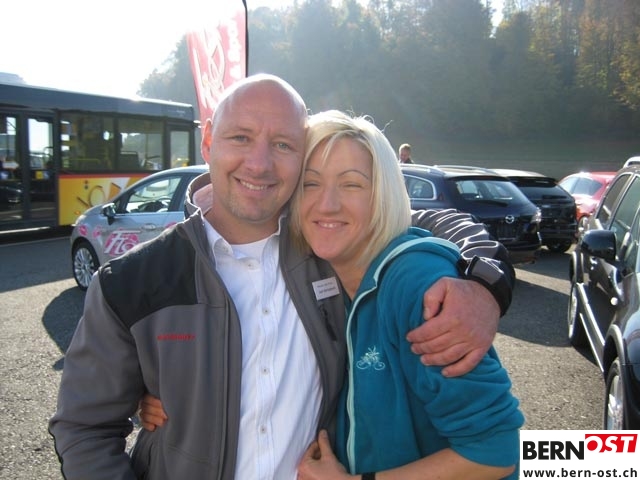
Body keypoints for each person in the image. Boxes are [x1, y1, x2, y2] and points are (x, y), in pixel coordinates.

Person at [49, 74, 514, 480]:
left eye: (283, 145)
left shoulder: (328, 247)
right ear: (208, 141)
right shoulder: (132, 282)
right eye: (241, 137)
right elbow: (86, 429)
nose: (259, 164)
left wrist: (485, 284)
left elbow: (425, 221)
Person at [293, 110, 523, 479]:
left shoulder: (415, 285)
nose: (327, 204)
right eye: (310, 183)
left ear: (383, 195)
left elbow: (493, 452)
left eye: (351, 184)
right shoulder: (339, 277)